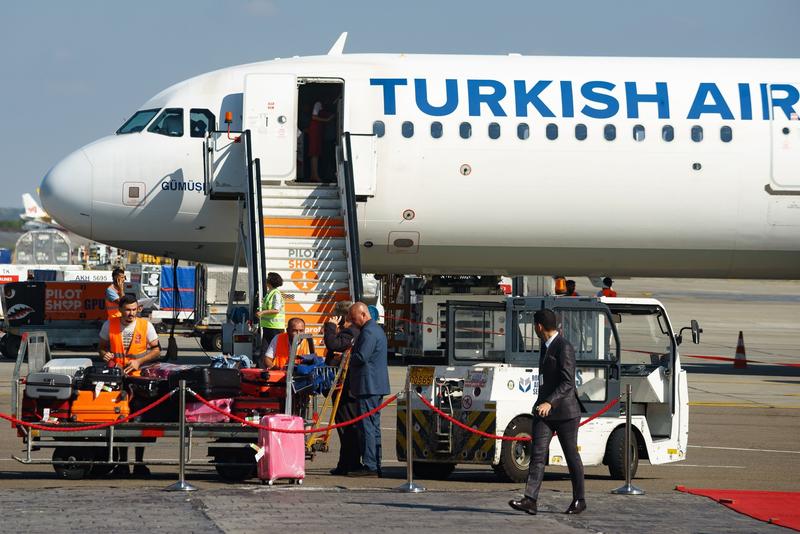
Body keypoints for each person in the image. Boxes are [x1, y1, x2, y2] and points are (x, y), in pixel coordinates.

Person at [509, 309, 585, 516]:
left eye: (534, 325)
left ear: (539, 326)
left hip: (565, 412)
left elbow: (568, 382)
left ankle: (579, 499)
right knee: (538, 454)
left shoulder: (563, 347)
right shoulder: (545, 346)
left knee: (571, 456)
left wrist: (550, 402)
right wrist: (541, 403)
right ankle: (530, 499)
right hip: (545, 413)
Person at [98, 294, 161, 477]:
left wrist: (139, 362)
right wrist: (104, 355)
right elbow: (101, 347)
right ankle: (122, 463)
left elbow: (157, 350)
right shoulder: (109, 325)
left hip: (139, 380)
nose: (131, 313)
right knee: (120, 421)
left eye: (134, 310)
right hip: (116, 379)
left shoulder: (146, 326)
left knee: (141, 422)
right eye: (127, 310)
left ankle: (139, 463)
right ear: (120, 310)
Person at [346, 302, 390, 477]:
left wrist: (347, 357)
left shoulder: (369, 332)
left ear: (363, 314)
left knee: (367, 427)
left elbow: (362, 356)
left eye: (354, 318)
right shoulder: (375, 330)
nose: (352, 321)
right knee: (373, 426)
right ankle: (375, 462)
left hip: (368, 385)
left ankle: (370, 464)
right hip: (374, 385)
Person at [323, 301, 362, 475]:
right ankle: (345, 462)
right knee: (345, 425)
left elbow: (333, 345)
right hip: (348, 386)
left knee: (346, 425)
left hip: (345, 388)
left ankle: (349, 463)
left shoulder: (350, 332)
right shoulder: (352, 332)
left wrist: (330, 327)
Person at [256, 272, 285, 360]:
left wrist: (262, 312)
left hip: (275, 328)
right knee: (265, 350)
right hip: (269, 326)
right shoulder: (270, 293)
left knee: (274, 349)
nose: (266, 280)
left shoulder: (276, 294)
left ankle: (275, 365)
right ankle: (263, 366)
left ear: (270, 281)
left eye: (267, 278)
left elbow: (276, 310)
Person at [306, 100, 335, 183]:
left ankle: (314, 175)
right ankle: (314, 175)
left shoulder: (321, 105)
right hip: (315, 129)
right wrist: (327, 119)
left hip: (318, 130)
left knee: (316, 152)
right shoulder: (318, 103)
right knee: (314, 152)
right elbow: (314, 117)